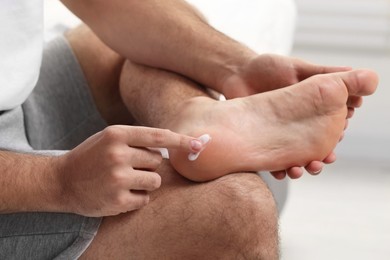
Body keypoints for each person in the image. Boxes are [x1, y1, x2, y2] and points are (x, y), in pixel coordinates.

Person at [0, 0, 377, 259]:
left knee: (143, 46)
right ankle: (208, 145)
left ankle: (194, 116)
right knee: (236, 213)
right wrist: (57, 182)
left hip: (15, 108)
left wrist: (236, 67)